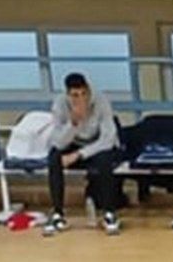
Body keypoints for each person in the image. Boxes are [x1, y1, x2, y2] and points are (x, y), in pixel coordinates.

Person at [42, 73, 121, 238]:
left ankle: (109, 213)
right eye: (75, 95)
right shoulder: (60, 105)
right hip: (72, 142)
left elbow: (108, 140)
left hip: (97, 146)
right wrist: (73, 123)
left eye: (84, 93)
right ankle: (57, 213)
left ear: (89, 90)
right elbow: (57, 142)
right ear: (68, 95)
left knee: (105, 160)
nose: (81, 99)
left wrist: (79, 155)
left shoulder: (101, 102)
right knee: (54, 157)